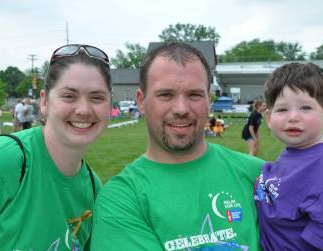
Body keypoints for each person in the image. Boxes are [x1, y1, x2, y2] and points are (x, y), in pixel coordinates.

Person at [91, 42, 265, 250]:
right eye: (166, 95)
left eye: (194, 95)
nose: (181, 109)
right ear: (141, 101)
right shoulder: (122, 199)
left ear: (208, 100)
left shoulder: (258, 176)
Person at [0, 44, 112, 250]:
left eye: (97, 98)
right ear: (44, 102)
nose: (83, 109)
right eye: (69, 96)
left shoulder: (93, 188)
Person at [255, 62, 323, 250]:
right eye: (282, 109)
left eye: (305, 107)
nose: (293, 117)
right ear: (269, 118)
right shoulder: (292, 154)